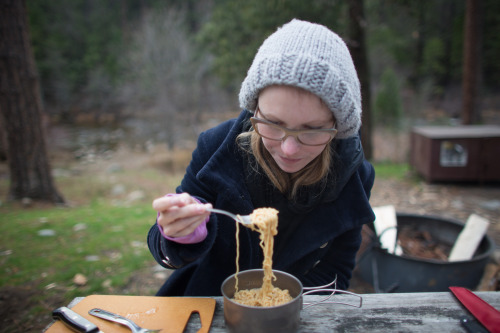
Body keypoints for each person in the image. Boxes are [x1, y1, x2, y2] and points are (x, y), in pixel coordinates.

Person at [148, 19, 375, 297]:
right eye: (272, 123)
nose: (289, 149)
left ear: (338, 128)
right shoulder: (217, 147)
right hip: (207, 305)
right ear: (255, 108)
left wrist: (284, 310)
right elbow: (168, 252)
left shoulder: (354, 175)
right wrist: (180, 234)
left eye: (313, 130)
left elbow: (336, 271)